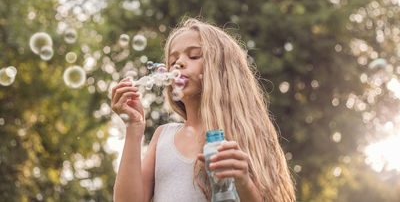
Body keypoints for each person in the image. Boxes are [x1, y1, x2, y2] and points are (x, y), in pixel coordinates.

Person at [111, 18, 296, 202]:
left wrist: (244, 182)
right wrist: (134, 128)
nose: (178, 64)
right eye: (173, 60)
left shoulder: (248, 136)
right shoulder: (163, 137)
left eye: (193, 56)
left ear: (222, 69)